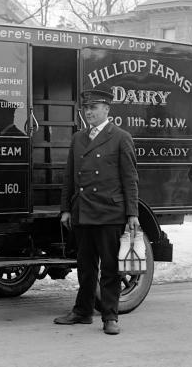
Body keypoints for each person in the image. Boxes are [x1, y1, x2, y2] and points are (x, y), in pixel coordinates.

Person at [54, 88, 139, 335]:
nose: (89, 112)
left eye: (94, 108)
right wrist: (66, 210)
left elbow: (130, 179)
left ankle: (110, 317)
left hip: (109, 212)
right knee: (85, 266)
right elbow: (69, 177)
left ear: (107, 110)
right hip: (82, 212)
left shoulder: (121, 137)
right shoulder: (78, 138)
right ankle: (82, 312)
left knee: (110, 268)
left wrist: (132, 214)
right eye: (86, 108)